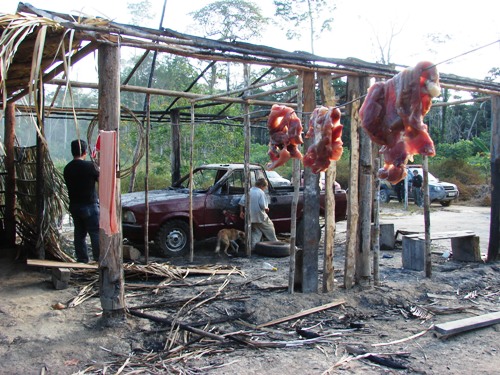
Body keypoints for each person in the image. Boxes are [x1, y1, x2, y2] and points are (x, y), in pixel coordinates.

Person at [63, 139, 100, 263]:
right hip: (89, 205)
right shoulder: (90, 166)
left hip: (75, 206)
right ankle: (99, 259)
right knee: (95, 233)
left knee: (79, 234)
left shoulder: (67, 168)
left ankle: (82, 260)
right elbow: (101, 179)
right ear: (85, 152)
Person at [239, 177, 278, 250]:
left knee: (256, 232)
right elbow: (263, 206)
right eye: (265, 187)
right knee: (269, 228)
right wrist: (267, 209)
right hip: (260, 216)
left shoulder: (249, 191)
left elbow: (241, 202)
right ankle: (275, 243)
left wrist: (241, 212)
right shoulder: (260, 192)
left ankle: (252, 248)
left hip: (251, 217)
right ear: (261, 186)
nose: (265, 188)